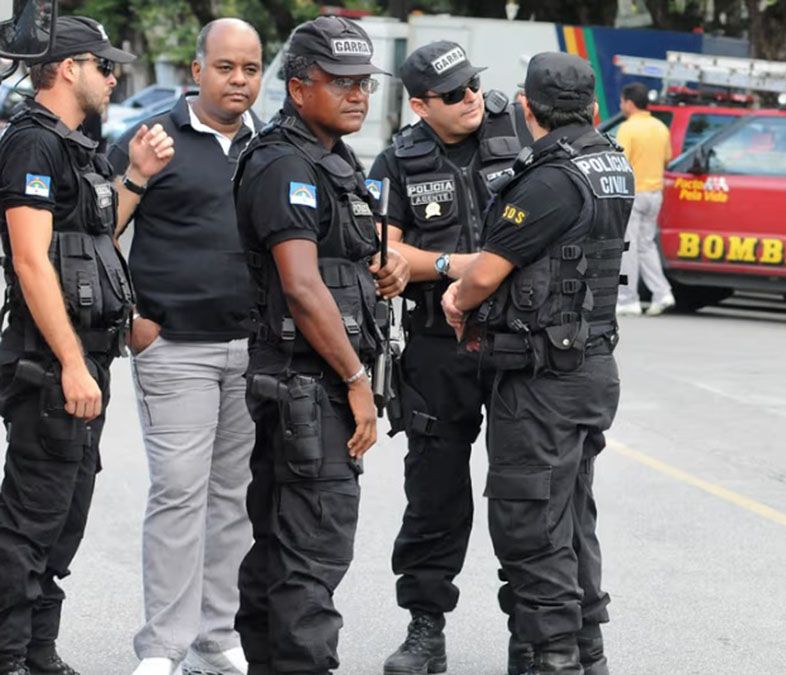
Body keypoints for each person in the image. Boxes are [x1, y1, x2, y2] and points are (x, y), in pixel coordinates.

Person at [442, 51, 631, 675]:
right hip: (591, 366)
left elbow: (487, 273)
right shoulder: (611, 163)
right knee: (571, 515)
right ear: (594, 107)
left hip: (544, 377)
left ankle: (553, 658)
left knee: (532, 525)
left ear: (526, 108)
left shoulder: (550, 178)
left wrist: (454, 298)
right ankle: (585, 652)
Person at [232, 16, 408, 674]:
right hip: (308, 387)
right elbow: (302, 288)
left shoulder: (332, 158)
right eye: (342, 83)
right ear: (300, 88)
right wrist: (358, 381)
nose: (358, 94)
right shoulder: (285, 163)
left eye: (364, 82)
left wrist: (376, 271)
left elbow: (332, 267)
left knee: (286, 548)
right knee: (311, 554)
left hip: (309, 385)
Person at [0, 16, 174, 675]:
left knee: (64, 519)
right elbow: (30, 259)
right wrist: (71, 361)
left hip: (88, 360)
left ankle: (40, 650)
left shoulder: (79, 146)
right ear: (68, 67)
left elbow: (96, 238)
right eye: (103, 66)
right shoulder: (31, 145)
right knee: (29, 518)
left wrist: (134, 177)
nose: (112, 77)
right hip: (49, 363)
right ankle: (10, 654)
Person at [108, 18, 262, 675]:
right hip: (174, 349)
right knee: (178, 492)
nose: (238, 80)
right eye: (225, 67)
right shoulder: (150, 138)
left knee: (233, 499)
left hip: (252, 351)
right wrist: (130, 315)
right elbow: (99, 229)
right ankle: (164, 645)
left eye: (250, 69)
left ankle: (215, 634)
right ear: (195, 71)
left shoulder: (268, 145)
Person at [367, 41, 526, 675]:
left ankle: (535, 630)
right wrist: (473, 267)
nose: (469, 101)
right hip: (437, 347)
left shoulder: (518, 130)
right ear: (419, 105)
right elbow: (384, 257)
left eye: (471, 87)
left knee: (525, 491)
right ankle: (425, 628)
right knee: (434, 491)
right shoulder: (397, 160)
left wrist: (438, 267)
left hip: (517, 341)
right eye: (453, 94)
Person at [614, 81, 674, 317]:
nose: (621, 105)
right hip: (654, 193)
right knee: (646, 245)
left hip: (634, 194)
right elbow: (667, 158)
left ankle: (628, 299)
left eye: (621, 101)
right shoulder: (660, 127)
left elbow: (620, 160)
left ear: (629, 103)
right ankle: (662, 293)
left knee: (628, 246)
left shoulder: (628, 128)